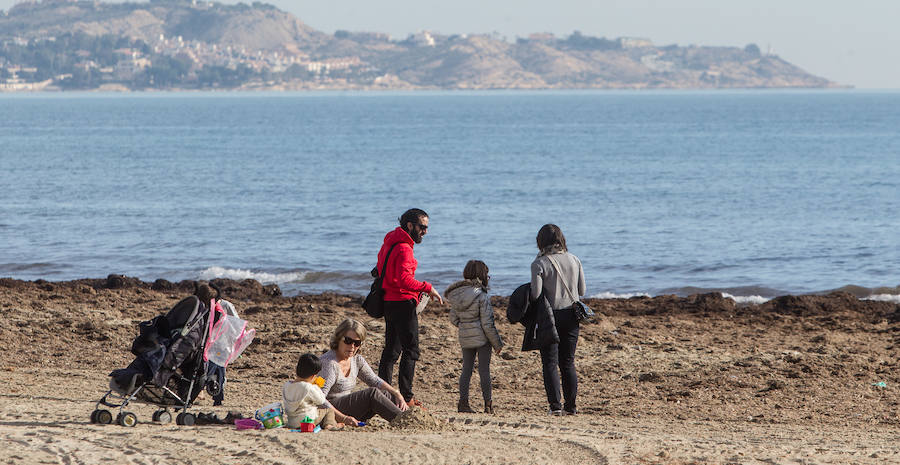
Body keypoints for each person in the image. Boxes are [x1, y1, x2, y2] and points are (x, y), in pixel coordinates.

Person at [375, 208, 444, 406]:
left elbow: (380, 270)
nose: (425, 232)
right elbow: (403, 280)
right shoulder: (404, 248)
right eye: (422, 227)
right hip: (402, 304)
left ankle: (385, 393)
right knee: (411, 351)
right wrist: (427, 288)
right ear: (410, 226)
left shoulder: (389, 242)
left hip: (389, 301)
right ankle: (406, 396)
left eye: (427, 227)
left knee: (391, 351)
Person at [531, 224, 586, 416]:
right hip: (571, 315)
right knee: (568, 362)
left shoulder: (539, 263)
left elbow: (536, 294)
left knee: (549, 363)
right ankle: (571, 407)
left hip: (550, 316)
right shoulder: (575, 259)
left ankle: (555, 407)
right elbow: (582, 291)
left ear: (541, 241)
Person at [318, 319, 409, 424]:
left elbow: (374, 380)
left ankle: (409, 416)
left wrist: (397, 394)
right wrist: (343, 418)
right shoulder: (329, 364)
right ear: (338, 339)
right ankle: (404, 422)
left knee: (387, 394)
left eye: (357, 343)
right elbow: (320, 399)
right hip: (331, 412)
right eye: (348, 341)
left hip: (347, 410)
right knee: (372, 394)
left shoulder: (356, 359)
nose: (352, 346)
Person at [445, 260, 503, 414]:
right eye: (487, 275)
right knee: (484, 371)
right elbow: (487, 323)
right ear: (482, 276)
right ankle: (488, 405)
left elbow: (453, 318)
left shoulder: (457, 295)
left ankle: (463, 403)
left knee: (466, 370)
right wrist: (497, 343)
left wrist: (465, 326)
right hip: (483, 339)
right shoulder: (481, 295)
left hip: (465, 337)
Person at [282, 353, 342, 430]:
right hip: (307, 420)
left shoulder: (287, 385)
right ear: (313, 376)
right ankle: (329, 425)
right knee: (328, 411)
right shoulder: (308, 387)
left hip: (292, 422)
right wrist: (316, 386)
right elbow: (321, 401)